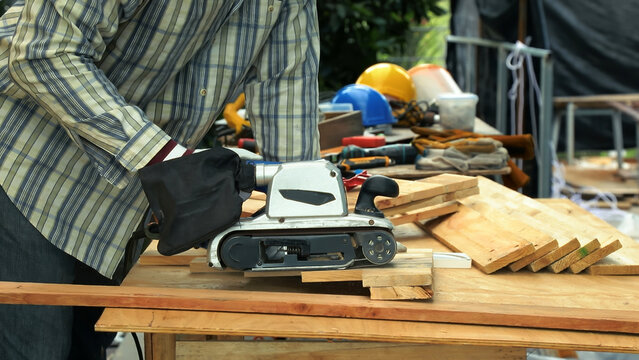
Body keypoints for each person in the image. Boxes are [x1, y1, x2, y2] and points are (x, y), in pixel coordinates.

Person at [0, 0, 321, 358]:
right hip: (27, 166)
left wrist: (306, 215)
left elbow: (287, 87)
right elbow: (42, 51)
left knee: (86, 349)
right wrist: (164, 157)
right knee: (37, 350)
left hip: (121, 202)